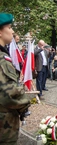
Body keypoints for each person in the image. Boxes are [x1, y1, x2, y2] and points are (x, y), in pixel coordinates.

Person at [0, 13, 30, 144]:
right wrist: (25, 105)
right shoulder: (2, 59)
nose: (12, 31)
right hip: (4, 125)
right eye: (10, 27)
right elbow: (8, 94)